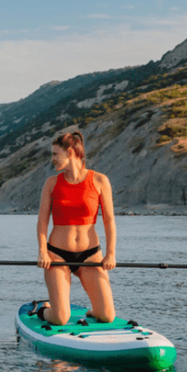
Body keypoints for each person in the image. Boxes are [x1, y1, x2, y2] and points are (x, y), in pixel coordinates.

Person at [36, 131, 117, 326]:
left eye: (56, 154)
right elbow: (42, 221)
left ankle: (94, 309)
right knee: (60, 319)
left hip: (90, 255)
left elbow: (109, 220)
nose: (52, 159)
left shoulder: (99, 181)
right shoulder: (52, 183)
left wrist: (110, 254)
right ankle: (43, 310)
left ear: (70, 152)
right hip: (57, 256)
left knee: (107, 316)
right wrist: (42, 252)